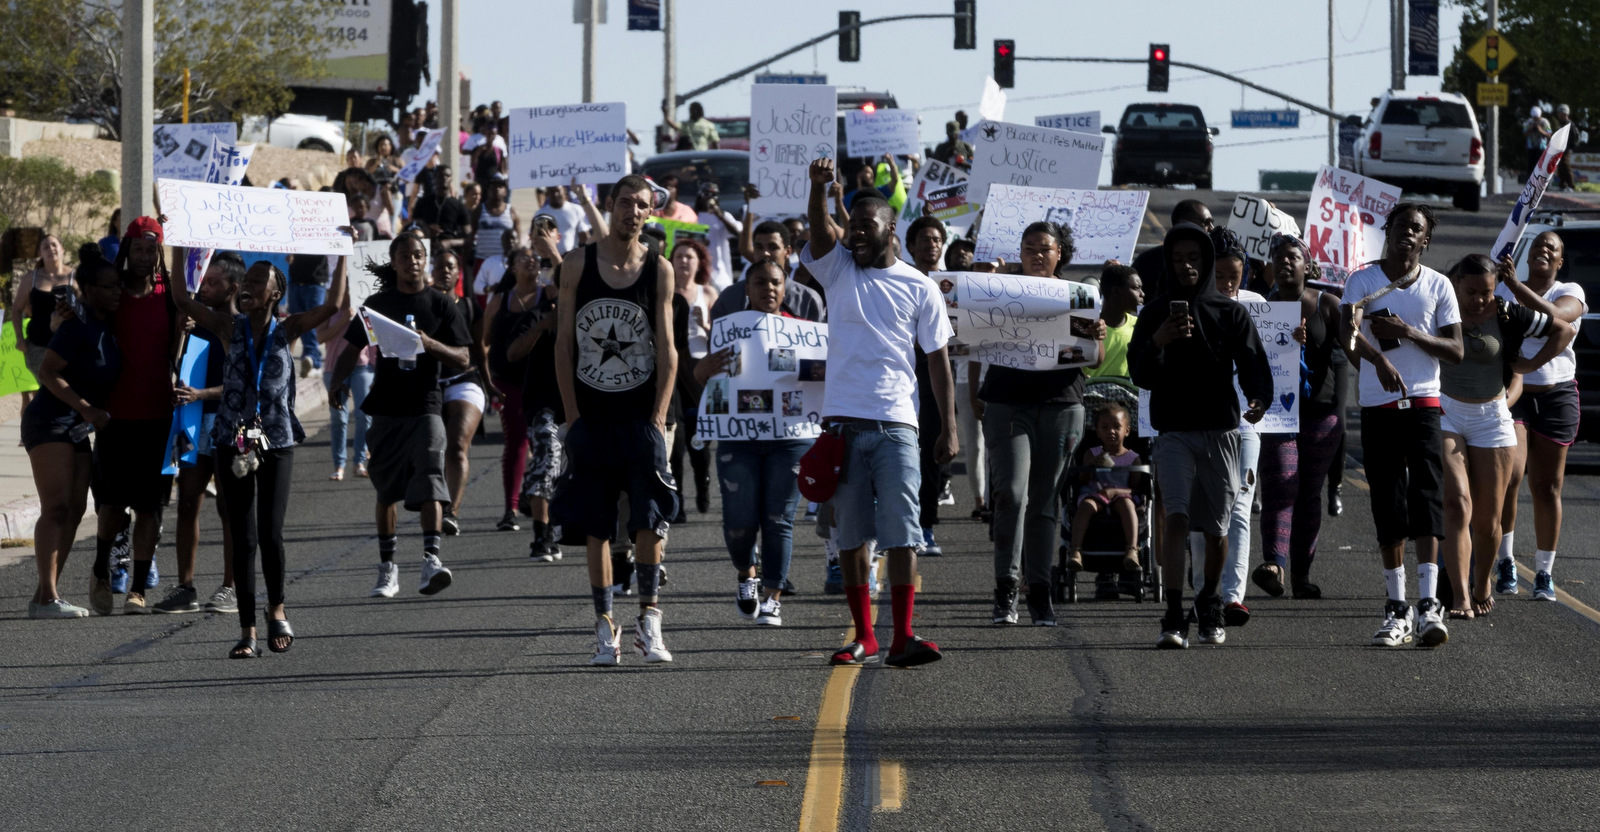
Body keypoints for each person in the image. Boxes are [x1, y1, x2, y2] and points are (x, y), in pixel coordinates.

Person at [802, 156, 956, 667]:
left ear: (893, 228)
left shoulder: (920, 287)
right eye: (852, 226)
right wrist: (820, 189)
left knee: (902, 532)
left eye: (867, 225)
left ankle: (902, 637)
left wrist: (948, 427)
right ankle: (865, 636)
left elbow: (937, 361)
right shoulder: (839, 267)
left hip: (896, 428)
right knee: (851, 537)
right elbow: (820, 233)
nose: (856, 234)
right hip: (843, 426)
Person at [172, 248, 348, 657]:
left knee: (270, 533)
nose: (248, 286)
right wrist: (180, 242)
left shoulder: (288, 330)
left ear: (274, 294)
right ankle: (247, 631)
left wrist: (342, 251)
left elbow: (335, 304)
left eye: (257, 282)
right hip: (233, 441)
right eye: (246, 280)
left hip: (277, 441)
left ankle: (277, 608)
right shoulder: (227, 327)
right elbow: (182, 298)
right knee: (244, 537)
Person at [551, 174, 680, 666]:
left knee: (649, 519)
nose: (633, 212)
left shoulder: (659, 270)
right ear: (609, 205)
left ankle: (650, 619)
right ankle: (605, 625)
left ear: (650, 213)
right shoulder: (577, 264)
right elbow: (564, 344)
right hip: (591, 417)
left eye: (642, 206)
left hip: (641, 417)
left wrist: (658, 418)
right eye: (625, 202)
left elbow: (666, 349)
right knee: (596, 523)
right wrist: (572, 417)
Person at [1128, 222, 1271, 649]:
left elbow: (1254, 366)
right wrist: (1159, 340)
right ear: (1169, 264)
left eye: (1194, 258)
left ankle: (1209, 598)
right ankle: (1173, 612)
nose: (1186, 266)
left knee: (1216, 528)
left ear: (1206, 262)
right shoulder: (1155, 312)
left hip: (1222, 431)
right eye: (1178, 259)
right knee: (1176, 517)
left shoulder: (1231, 312)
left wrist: (1260, 400)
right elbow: (1141, 373)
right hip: (1173, 431)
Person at [1339, 203, 1463, 648]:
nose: (1407, 234)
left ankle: (1429, 604)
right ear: (1386, 231)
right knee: (1388, 501)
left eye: (1417, 229)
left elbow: (1455, 349)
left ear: (1425, 239)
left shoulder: (1438, 285)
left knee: (1426, 495)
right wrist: (1378, 360)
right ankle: (1396, 607)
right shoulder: (1363, 280)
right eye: (1400, 226)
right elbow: (1347, 331)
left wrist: (1409, 333)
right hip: (1378, 406)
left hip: (1426, 402)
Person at [329, 232, 472, 600]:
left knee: (429, 479)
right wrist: (339, 381)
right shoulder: (378, 304)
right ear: (394, 262)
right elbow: (352, 347)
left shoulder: (441, 304)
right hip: (388, 407)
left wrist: (430, 343)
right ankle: (388, 568)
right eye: (406, 255)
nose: (414, 261)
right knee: (386, 490)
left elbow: (463, 358)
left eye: (419, 255)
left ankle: (431, 560)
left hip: (426, 406)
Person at [980, 222, 1105, 626]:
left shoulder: (1078, 297)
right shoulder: (999, 291)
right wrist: (978, 292)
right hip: (1007, 405)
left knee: (1045, 503)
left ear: (1059, 255)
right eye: (1028, 247)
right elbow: (965, 335)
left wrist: (1097, 333)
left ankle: (1040, 594)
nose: (1036, 254)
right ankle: (1006, 589)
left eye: (1045, 248)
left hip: (1060, 406)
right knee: (1011, 496)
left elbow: (1094, 358)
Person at [1438, 253, 1570, 619]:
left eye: (1487, 291)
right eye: (1472, 291)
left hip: (1493, 417)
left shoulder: (1508, 313)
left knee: (1489, 520)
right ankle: (1461, 596)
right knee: (1457, 504)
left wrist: (1530, 365)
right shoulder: (1440, 306)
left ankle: (1482, 585)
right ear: (1457, 285)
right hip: (1447, 411)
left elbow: (1565, 329)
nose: (1480, 299)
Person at [695, 261, 808, 625]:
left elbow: (822, 377)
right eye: (760, 282)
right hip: (738, 439)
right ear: (747, 288)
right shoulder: (728, 330)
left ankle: (773, 595)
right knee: (739, 522)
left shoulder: (802, 332)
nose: (769, 289)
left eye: (775, 283)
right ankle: (747, 574)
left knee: (778, 518)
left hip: (788, 440)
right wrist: (705, 368)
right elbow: (700, 378)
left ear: (785, 288)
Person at [21, 246, 121, 618]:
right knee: (57, 506)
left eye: (119, 286)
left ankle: (45, 596)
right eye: (109, 286)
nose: (117, 292)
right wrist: (87, 409)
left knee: (77, 508)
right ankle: (47, 599)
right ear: (90, 289)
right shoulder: (76, 326)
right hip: (49, 420)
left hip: (76, 425)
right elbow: (47, 372)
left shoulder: (107, 325)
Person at [92, 217, 183, 613]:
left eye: (152, 249)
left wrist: (184, 328)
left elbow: (177, 352)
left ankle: (138, 588)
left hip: (158, 418)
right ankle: (99, 567)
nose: (145, 257)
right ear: (127, 249)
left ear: (159, 252)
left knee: (150, 507)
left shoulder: (170, 296)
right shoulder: (110, 297)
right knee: (111, 507)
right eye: (139, 249)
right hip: (115, 418)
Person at [1497, 231, 1588, 601]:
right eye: (1537, 246)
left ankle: (1544, 572)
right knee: (1511, 475)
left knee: (1547, 487)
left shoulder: (1571, 291)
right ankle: (1505, 561)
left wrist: (1515, 286)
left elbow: (1555, 317)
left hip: (1557, 395)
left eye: (1551, 248)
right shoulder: (1502, 290)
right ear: (1526, 254)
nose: (1543, 251)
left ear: (1560, 261)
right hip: (1514, 395)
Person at [1255, 234, 1343, 602]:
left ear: (1308, 266)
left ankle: (1302, 577)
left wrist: (1340, 417)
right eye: (1278, 257)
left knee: (1307, 494)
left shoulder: (1328, 305)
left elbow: (1345, 361)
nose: (1285, 263)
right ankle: (1275, 565)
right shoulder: (1260, 309)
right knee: (1280, 486)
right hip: (1277, 415)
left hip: (1321, 415)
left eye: (1293, 257)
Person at [1188, 228, 1265, 626]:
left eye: (1235, 276)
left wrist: (1294, 342)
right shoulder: (1190, 306)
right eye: (1220, 276)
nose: (1228, 284)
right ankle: (1205, 590)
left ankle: (1233, 596)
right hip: (1201, 423)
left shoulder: (1255, 306)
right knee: (1205, 513)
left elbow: (1270, 368)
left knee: (1240, 505)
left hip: (1245, 424)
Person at [160, 252, 243, 615]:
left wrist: (202, 394)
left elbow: (242, 386)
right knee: (189, 501)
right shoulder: (197, 324)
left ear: (233, 288)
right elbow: (177, 367)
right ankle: (185, 587)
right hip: (194, 422)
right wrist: (180, 335)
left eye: (213, 283)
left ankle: (231, 586)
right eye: (203, 282)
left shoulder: (241, 327)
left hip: (228, 423)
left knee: (229, 507)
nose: (204, 289)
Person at [904, 216, 956, 558]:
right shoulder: (901, 281)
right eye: (924, 239)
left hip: (939, 370)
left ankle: (926, 526)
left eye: (937, 239)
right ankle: (903, 525)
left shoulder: (957, 285)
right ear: (910, 247)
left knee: (933, 455)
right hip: (907, 372)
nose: (931, 245)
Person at [431, 249, 493, 532]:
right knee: (432, 451)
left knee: (456, 446)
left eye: (451, 267)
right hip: (429, 383)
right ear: (432, 271)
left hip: (464, 381)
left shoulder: (470, 307)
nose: (445, 270)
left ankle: (451, 512)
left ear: (458, 274)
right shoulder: (422, 304)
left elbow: (480, 351)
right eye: (441, 266)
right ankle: (433, 501)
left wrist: (490, 384)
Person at [486, 244, 543, 529]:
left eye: (535, 257)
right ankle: (510, 508)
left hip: (543, 382)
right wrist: (488, 382)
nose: (531, 261)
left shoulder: (551, 295)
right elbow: (483, 341)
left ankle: (541, 502)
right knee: (517, 441)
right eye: (524, 257)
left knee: (545, 443)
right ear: (512, 267)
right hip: (507, 382)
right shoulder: (500, 300)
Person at [1066, 404, 1145, 572]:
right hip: (1095, 494)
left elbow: (1136, 489)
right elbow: (1083, 480)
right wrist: (1091, 466)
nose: (1111, 431)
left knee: (1128, 505)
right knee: (1086, 505)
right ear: (1099, 433)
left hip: (1121, 495)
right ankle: (1076, 550)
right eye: (1105, 428)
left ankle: (1132, 549)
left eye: (1117, 427)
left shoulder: (1133, 459)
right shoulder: (1092, 454)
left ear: (1127, 431)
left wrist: (1116, 491)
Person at [669, 238, 717, 515]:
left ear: (699, 263)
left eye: (690, 256)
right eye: (679, 256)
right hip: (672, 368)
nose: (684, 261)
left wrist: (705, 325)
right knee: (675, 441)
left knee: (699, 439)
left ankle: (703, 482)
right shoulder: (664, 290)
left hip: (700, 369)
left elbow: (725, 338)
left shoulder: (708, 293)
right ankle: (677, 502)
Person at [11, 233, 75, 409]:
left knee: (66, 394)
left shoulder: (75, 277)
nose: (51, 249)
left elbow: (87, 310)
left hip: (69, 348)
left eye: (54, 245)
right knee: (46, 393)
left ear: (62, 249)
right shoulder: (31, 278)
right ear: (40, 253)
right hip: (38, 348)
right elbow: (16, 309)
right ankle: (41, 434)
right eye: (46, 247)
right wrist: (19, 338)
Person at [319, 288, 375, 481]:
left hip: (362, 366)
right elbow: (320, 337)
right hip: (334, 369)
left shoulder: (365, 309)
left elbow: (373, 340)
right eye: (342, 289)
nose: (346, 293)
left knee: (364, 415)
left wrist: (377, 368)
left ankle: (359, 462)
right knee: (339, 419)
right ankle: (339, 465)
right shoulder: (329, 311)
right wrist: (344, 319)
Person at [721, 218, 825, 321]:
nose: (765, 253)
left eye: (773, 247)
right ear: (748, 290)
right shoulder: (730, 297)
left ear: (788, 251)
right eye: (759, 247)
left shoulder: (808, 299)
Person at [1132, 200, 1212, 296]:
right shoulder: (1147, 262)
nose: (1212, 228)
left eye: (1194, 258)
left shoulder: (1214, 258)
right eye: (1178, 259)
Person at [470, 176, 518, 295]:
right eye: (493, 186)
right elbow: (470, 237)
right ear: (488, 189)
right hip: (482, 259)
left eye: (500, 186)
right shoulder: (479, 210)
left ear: (505, 191)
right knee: (481, 295)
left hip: (504, 263)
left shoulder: (511, 211)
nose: (496, 189)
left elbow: (519, 239)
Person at [287, 252, 331, 376]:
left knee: (312, 321)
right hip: (295, 280)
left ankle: (311, 356)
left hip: (315, 282)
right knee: (298, 321)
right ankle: (314, 360)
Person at [693, 182, 744, 290]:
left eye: (713, 194)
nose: (710, 198)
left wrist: (719, 215)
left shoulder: (723, 215)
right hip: (698, 268)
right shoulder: (693, 216)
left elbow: (738, 233)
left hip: (720, 270)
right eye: (707, 194)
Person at [533, 185, 593, 254]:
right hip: (549, 258)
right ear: (548, 194)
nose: (555, 194)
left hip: (571, 258)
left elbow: (584, 236)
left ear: (564, 191)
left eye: (557, 191)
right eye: (552, 192)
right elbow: (535, 238)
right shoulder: (540, 213)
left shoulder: (576, 210)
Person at [1524, 106, 1553, 179]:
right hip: (1531, 146)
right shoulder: (1529, 122)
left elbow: (1549, 134)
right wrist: (1530, 129)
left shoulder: (1544, 122)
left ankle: (1542, 181)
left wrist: (1541, 131)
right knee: (1531, 164)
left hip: (1541, 147)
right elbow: (1524, 133)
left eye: (1537, 118)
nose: (1536, 120)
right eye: (1534, 118)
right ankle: (1530, 181)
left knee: (1541, 165)